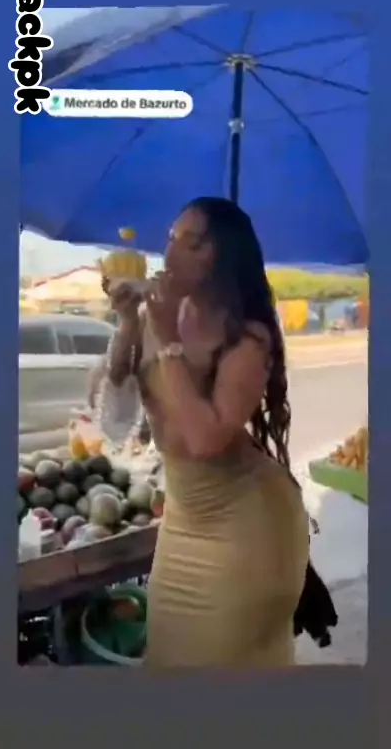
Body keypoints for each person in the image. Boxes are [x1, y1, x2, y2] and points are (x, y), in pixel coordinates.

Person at [106, 197, 320, 667]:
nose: (171, 252)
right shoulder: (157, 315)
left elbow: (205, 440)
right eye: (171, 238)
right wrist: (127, 324)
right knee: (168, 659)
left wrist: (168, 342)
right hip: (183, 522)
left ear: (223, 257)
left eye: (193, 243)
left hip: (247, 527)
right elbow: (115, 417)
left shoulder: (248, 336)